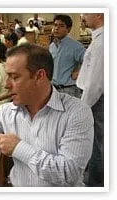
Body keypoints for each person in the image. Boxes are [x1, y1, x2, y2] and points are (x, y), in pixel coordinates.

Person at [0, 43, 94, 186]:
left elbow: (69, 174)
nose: (6, 85)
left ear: (39, 76)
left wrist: (18, 148)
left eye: (14, 77)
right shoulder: (6, 112)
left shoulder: (76, 112)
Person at [76, 13, 104, 187]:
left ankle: (95, 186)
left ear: (99, 14)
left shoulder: (102, 42)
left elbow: (95, 85)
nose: (82, 16)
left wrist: (82, 110)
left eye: (86, 12)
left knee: (96, 148)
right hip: (95, 100)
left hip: (96, 101)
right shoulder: (99, 38)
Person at [49, 14, 86, 98]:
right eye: (55, 25)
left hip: (69, 90)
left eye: (61, 26)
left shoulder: (75, 46)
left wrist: (79, 72)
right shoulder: (52, 46)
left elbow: (91, 61)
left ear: (68, 29)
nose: (57, 28)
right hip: (54, 90)